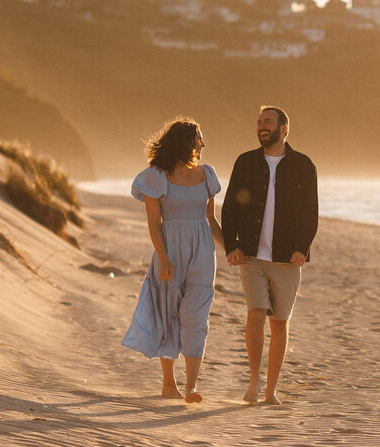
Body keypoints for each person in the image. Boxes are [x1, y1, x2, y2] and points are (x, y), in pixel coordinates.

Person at [221, 105, 318, 405]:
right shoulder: (245, 162)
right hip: (250, 256)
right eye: (259, 122)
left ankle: (270, 389)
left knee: (280, 323)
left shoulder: (303, 165)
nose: (262, 126)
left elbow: (310, 212)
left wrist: (303, 247)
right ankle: (253, 381)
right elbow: (229, 207)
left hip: (287, 259)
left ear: (284, 128)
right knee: (255, 315)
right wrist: (230, 246)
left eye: (268, 122)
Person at [122, 118, 224, 403]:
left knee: (196, 316)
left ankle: (191, 387)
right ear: (185, 143)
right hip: (170, 250)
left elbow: (211, 220)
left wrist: (231, 250)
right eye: (198, 140)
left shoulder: (207, 174)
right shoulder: (156, 176)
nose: (202, 145)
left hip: (203, 250)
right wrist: (164, 259)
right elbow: (154, 224)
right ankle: (169, 384)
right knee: (168, 314)